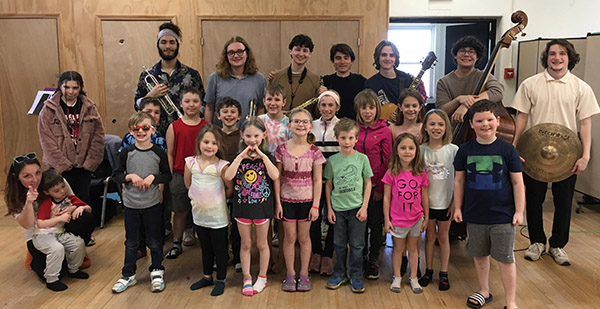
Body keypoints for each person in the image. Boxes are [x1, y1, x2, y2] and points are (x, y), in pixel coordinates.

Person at [511, 39, 600, 266]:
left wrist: (586, 155)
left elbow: (586, 123)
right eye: (552, 53)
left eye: (562, 53)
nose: (557, 58)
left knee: (563, 201)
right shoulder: (530, 84)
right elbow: (521, 117)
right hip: (533, 152)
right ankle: (537, 242)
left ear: (570, 58)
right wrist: (514, 147)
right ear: (546, 57)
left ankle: (558, 245)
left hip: (568, 155)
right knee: (534, 199)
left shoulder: (581, 87)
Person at [452, 100, 525, 309]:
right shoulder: (464, 151)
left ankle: (511, 301)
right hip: (474, 214)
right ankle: (484, 290)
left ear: (498, 121)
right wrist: (458, 207)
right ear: (471, 124)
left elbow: (517, 182)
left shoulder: (508, 150)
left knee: (505, 258)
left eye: (490, 120)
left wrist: (519, 211)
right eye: (480, 121)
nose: (485, 124)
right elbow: (459, 180)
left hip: (503, 215)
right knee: (479, 254)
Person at [111, 111, 172, 293]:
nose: (141, 131)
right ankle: (128, 274)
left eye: (145, 128)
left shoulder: (159, 152)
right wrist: (129, 176)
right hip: (131, 205)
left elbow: (167, 176)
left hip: (152, 204)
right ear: (131, 131)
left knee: (154, 241)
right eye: (136, 128)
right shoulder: (126, 152)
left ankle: (157, 271)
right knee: (131, 242)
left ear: (152, 130)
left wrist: (154, 177)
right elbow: (116, 174)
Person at [223, 117, 279, 296]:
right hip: (242, 208)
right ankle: (247, 277)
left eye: (256, 136)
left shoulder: (267, 157)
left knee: (262, 244)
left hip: (262, 207)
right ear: (242, 135)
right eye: (248, 136)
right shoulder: (238, 158)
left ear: (264, 135)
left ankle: (262, 277)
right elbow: (229, 176)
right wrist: (241, 156)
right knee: (246, 244)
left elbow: (275, 175)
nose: (252, 140)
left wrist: (262, 156)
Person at [274, 109, 326, 292]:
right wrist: (278, 203)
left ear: (311, 126)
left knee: (304, 238)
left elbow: (318, 179)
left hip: (307, 201)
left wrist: (316, 205)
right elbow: (277, 178)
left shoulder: (314, 151)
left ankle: (304, 274)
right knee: (290, 238)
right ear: (289, 125)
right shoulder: (281, 149)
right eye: (297, 121)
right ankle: (290, 274)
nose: (301, 125)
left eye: (305, 122)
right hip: (286, 200)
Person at [38, 71, 105, 205]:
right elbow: (47, 141)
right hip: (60, 168)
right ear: (60, 87)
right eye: (66, 87)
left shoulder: (90, 108)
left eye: (75, 88)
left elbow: (98, 137)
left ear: (80, 88)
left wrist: (90, 163)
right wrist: (62, 164)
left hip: (83, 166)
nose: (71, 91)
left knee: (83, 204)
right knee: (63, 204)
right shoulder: (48, 110)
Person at [324, 118, 373, 293]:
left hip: (357, 209)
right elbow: (328, 184)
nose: (347, 142)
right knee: (339, 244)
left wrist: (364, 207)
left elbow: (368, 183)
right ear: (337, 138)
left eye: (350, 138)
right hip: (338, 210)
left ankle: (356, 275)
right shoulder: (332, 161)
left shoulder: (362, 159)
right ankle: (339, 273)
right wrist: (329, 209)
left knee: (357, 244)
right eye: (343, 138)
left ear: (356, 139)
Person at [134, 22, 205, 135]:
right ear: (158, 45)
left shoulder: (192, 75)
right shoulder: (147, 75)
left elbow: (203, 105)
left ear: (177, 45)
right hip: (154, 134)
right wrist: (150, 96)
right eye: (163, 42)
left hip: (185, 133)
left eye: (172, 42)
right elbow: (137, 105)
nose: (168, 46)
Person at [185, 125, 231, 296]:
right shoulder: (190, 162)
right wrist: (197, 198)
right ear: (199, 142)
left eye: (214, 143)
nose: (209, 146)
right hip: (199, 214)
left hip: (217, 216)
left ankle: (221, 279)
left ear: (219, 146)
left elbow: (229, 188)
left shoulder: (222, 166)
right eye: (206, 142)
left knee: (220, 248)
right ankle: (207, 276)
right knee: (205, 247)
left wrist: (215, 200)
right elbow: (188, 184)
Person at [383, 133, 429, 294]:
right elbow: (387, 197)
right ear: (396, 151)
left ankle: (414, 277)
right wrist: (387, 220)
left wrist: (427, 217)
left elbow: (424, 196)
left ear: (417, 151)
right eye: (403, 148)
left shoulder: (420, 173)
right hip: (397, 220)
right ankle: (397, 276)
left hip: (416, 218)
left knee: (414, 249)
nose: (407, 151)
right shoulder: (391, 173)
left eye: (411, 148)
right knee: (398, 249)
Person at [165, 87, 208, 259]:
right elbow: (169, 153)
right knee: (180, 210)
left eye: (195, 101)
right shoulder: (174, 126)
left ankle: (206, 242)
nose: (191, 105)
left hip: (202, 176)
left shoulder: (206, 126)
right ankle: (177, 242)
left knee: (203, 210)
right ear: (180, 104)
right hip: (179, 174)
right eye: (187, 101)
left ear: (201, 104)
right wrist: (170, 175)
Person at [354, 89, 393, 279]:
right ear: (358, 110)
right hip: (357, 187)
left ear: (377, 109)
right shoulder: (354, 130)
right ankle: (360, 256)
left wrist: (380, 187)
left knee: (375, 225)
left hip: (376, 187)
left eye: (371, 107)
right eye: (364, 108)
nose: (368, 111)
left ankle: (373, 259)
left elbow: (387, 161)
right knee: (359, 224)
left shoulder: (385, 130)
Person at [418, 109, 458, 291]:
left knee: (443, 237)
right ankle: (428, 270)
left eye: (440, 124)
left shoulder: (453, 150)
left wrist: (454, 203)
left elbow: (458, 180)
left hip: (445, 203)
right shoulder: (420, 151)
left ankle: (444, 272)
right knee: (429, 237)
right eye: (432, 124)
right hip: (426, 204)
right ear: (425, 127)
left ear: (446, 127)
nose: (436, 128)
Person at [35, 170, 90, 291]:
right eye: (56, 190)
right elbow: (40, 223)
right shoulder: (47, 203)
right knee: (57, 249)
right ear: (47, 192)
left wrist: (79, 208)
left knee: (78, 244)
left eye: (63, 187)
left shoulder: (70, 199)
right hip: (44, 234)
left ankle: (74, 269)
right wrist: (59, 218)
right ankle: (51, 279)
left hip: (60, 233)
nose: (62, 191)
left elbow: (88, 208)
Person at [308, 91, 341, 276]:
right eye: (323, 105)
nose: (327, 109)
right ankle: (316, 252)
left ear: (337, 107)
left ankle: (328, 254)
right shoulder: (311, 126)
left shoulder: (342, 126)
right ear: (318, 107)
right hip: (314, 181)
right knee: (313, 217)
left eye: (331, 105)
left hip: (334, 182)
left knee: (333, 218)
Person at [436, 36, 504, 124]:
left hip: (479, 129)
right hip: (453, 131)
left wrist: (466, 105)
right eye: (462, 51)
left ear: (477, 57)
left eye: (471, 51)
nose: (466, 54)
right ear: (455, 56)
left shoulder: (484, 76)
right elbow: (442, 111)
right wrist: (458, 99)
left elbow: (498, 92)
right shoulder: (443, 82)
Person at [204, 36, 266, 126]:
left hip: (249, 136)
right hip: (221, 135)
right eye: (231, 52)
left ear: (247, 53)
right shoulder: (215, 78)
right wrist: (208, 131)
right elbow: (209, 108)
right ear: (226, 56)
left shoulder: (259, 79)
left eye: (240, 51)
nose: (236, 56)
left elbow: (261, 108)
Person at [215, 97, 243, 272]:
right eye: (225, 111)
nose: (229, 115)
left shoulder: (243, 135)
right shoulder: (214, 135)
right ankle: (221, 256)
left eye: (233, 112)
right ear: (218, 115)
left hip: (240, 186)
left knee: (237, 225)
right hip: (218, 186)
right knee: (220, 225)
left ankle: (239, 257)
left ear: (239, 116)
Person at [364, 40, 426, 107]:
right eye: (384, 55)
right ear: (377, 57)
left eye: (391, 55)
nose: (388, 58)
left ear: (395, 58)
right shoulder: (370, 84)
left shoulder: (407, 79)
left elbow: (419, 103)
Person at [270, 34, 320, 111]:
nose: (301, 54)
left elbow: (317, 111)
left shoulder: (315, 80)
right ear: (290, 51)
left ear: (310, 54)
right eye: (297, 49)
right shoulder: (277, 76)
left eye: (305, 51)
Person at [322, 43, 366, 120]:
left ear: (351, 61)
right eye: (338, 58)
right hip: (332, 125)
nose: (342, 62)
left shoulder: (361, 81)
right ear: (333, 61)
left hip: (355, 125)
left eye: (346, 58)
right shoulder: (326, 81)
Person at [257, 84, 292, 154]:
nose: (273, 103)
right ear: (264, 101)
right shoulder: (258, 121)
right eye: (269, 99)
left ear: (284, 102)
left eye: (277, 100)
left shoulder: (290, 123)